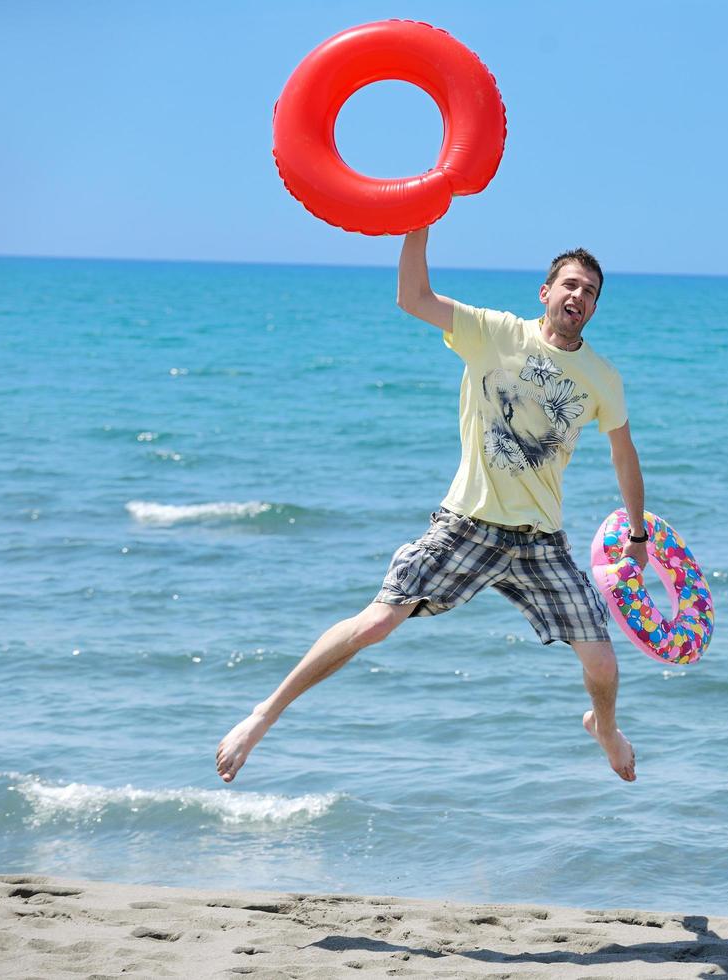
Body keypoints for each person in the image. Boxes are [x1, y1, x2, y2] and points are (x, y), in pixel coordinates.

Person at [215, 225, 648, 784]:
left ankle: (605, 729)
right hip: (469, 526)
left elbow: (624, 454)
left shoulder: (602, 377)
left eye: (590, 291)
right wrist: (420, 218)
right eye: (569, 285)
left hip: (541, 540)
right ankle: (262, 715)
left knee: (603, 663)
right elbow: (412, 298)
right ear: (545, 292)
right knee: (375, 623)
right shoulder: (493, 332)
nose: (578, 297)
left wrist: (637, 535)